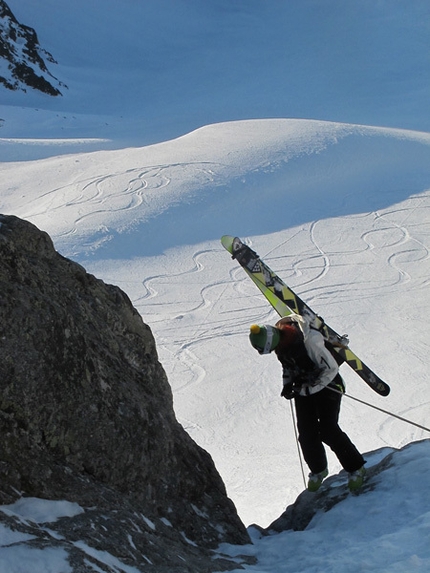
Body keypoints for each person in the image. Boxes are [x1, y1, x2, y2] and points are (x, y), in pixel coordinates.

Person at [249, 314, 366, 493]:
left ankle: (356, 468)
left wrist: (309, 388)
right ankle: (319, 469)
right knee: (306, 432)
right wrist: (288, 385)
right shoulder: (281, 345)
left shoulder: (309, 341)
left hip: (329, 385)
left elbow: (331, 368)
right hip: (304, 387)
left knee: (328, 429)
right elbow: (288, 366)